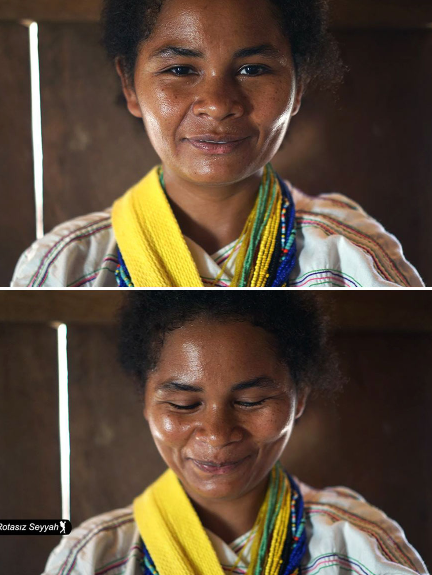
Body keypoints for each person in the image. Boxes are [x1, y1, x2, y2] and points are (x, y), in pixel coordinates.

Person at [11, 0, 423, 287]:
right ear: (130, 85)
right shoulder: (65, 265)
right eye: (180, 69)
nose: (218, 104)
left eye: (252, 68)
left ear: (298, 88)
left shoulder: (352, 257)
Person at [43, 292, 428, 574]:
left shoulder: (362, 549)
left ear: (300, 398)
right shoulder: (93, 557)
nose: (216, 433)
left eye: (251, 401)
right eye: (182, 405)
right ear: (144, 401)